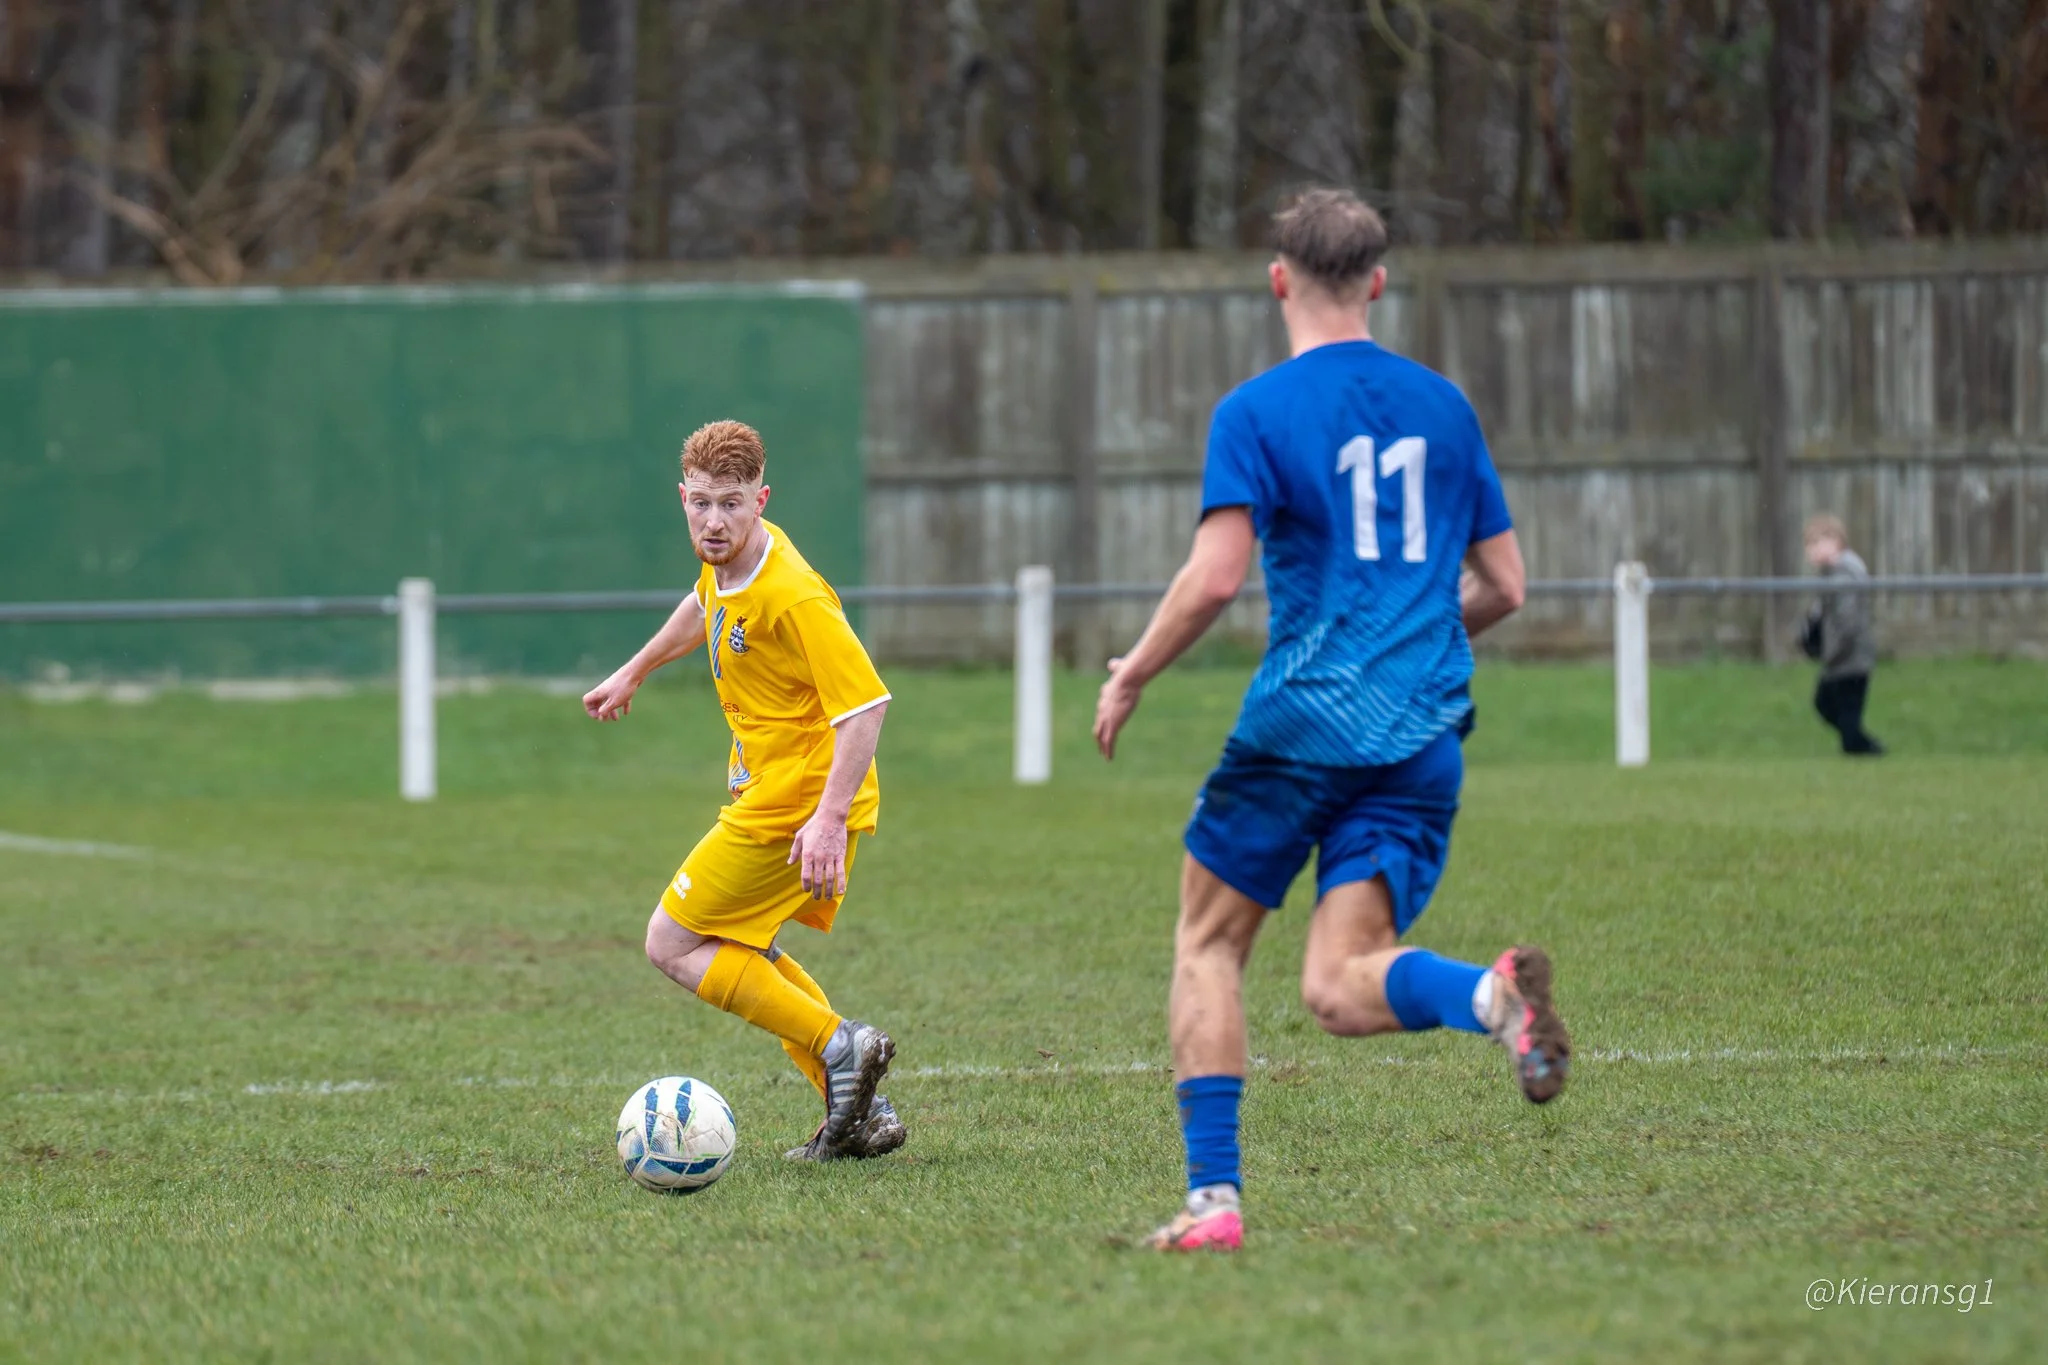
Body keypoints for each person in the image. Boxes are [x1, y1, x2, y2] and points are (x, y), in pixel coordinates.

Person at [1092, 188, 1572, 1253]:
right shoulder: (1444, 406)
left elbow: (1215, 581)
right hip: (1418, 737)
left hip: (1300, 727)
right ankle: (1491, 999)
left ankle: (1213, 1205)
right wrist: (1411, 640)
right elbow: (1503, 585)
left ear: (1277, 280)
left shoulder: (1255, 411)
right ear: (1376, 281)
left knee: (1209, 949)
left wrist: (1131, 673)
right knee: (1338, 989)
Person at [583, 419, 902, 1161]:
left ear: (762, 498)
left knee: (671, 940)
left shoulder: (793, 593)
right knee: (738, 943)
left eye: (731, 504)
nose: (714, 521)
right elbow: (704, 604)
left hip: (796, 805)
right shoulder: (727, 563)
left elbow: (867, 707)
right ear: (683, 498)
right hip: (778, 796)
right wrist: (636, 669)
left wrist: (826, 821)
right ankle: (860, 1108)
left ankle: (840, 1046)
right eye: (700, 503)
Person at [1800, 513, 1883, 756]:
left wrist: (1831, 652)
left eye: (1820, 543)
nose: (1814, 550)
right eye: (1810, 545)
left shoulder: (1845, 575)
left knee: (1845, 712)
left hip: (1852, 658)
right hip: (1838, 658)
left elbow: (1848, 622)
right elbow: (1819, 614)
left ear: (1838, 542)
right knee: (1824, 704)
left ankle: (1863, 747)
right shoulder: (1828, 575)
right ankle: (1862, 742)